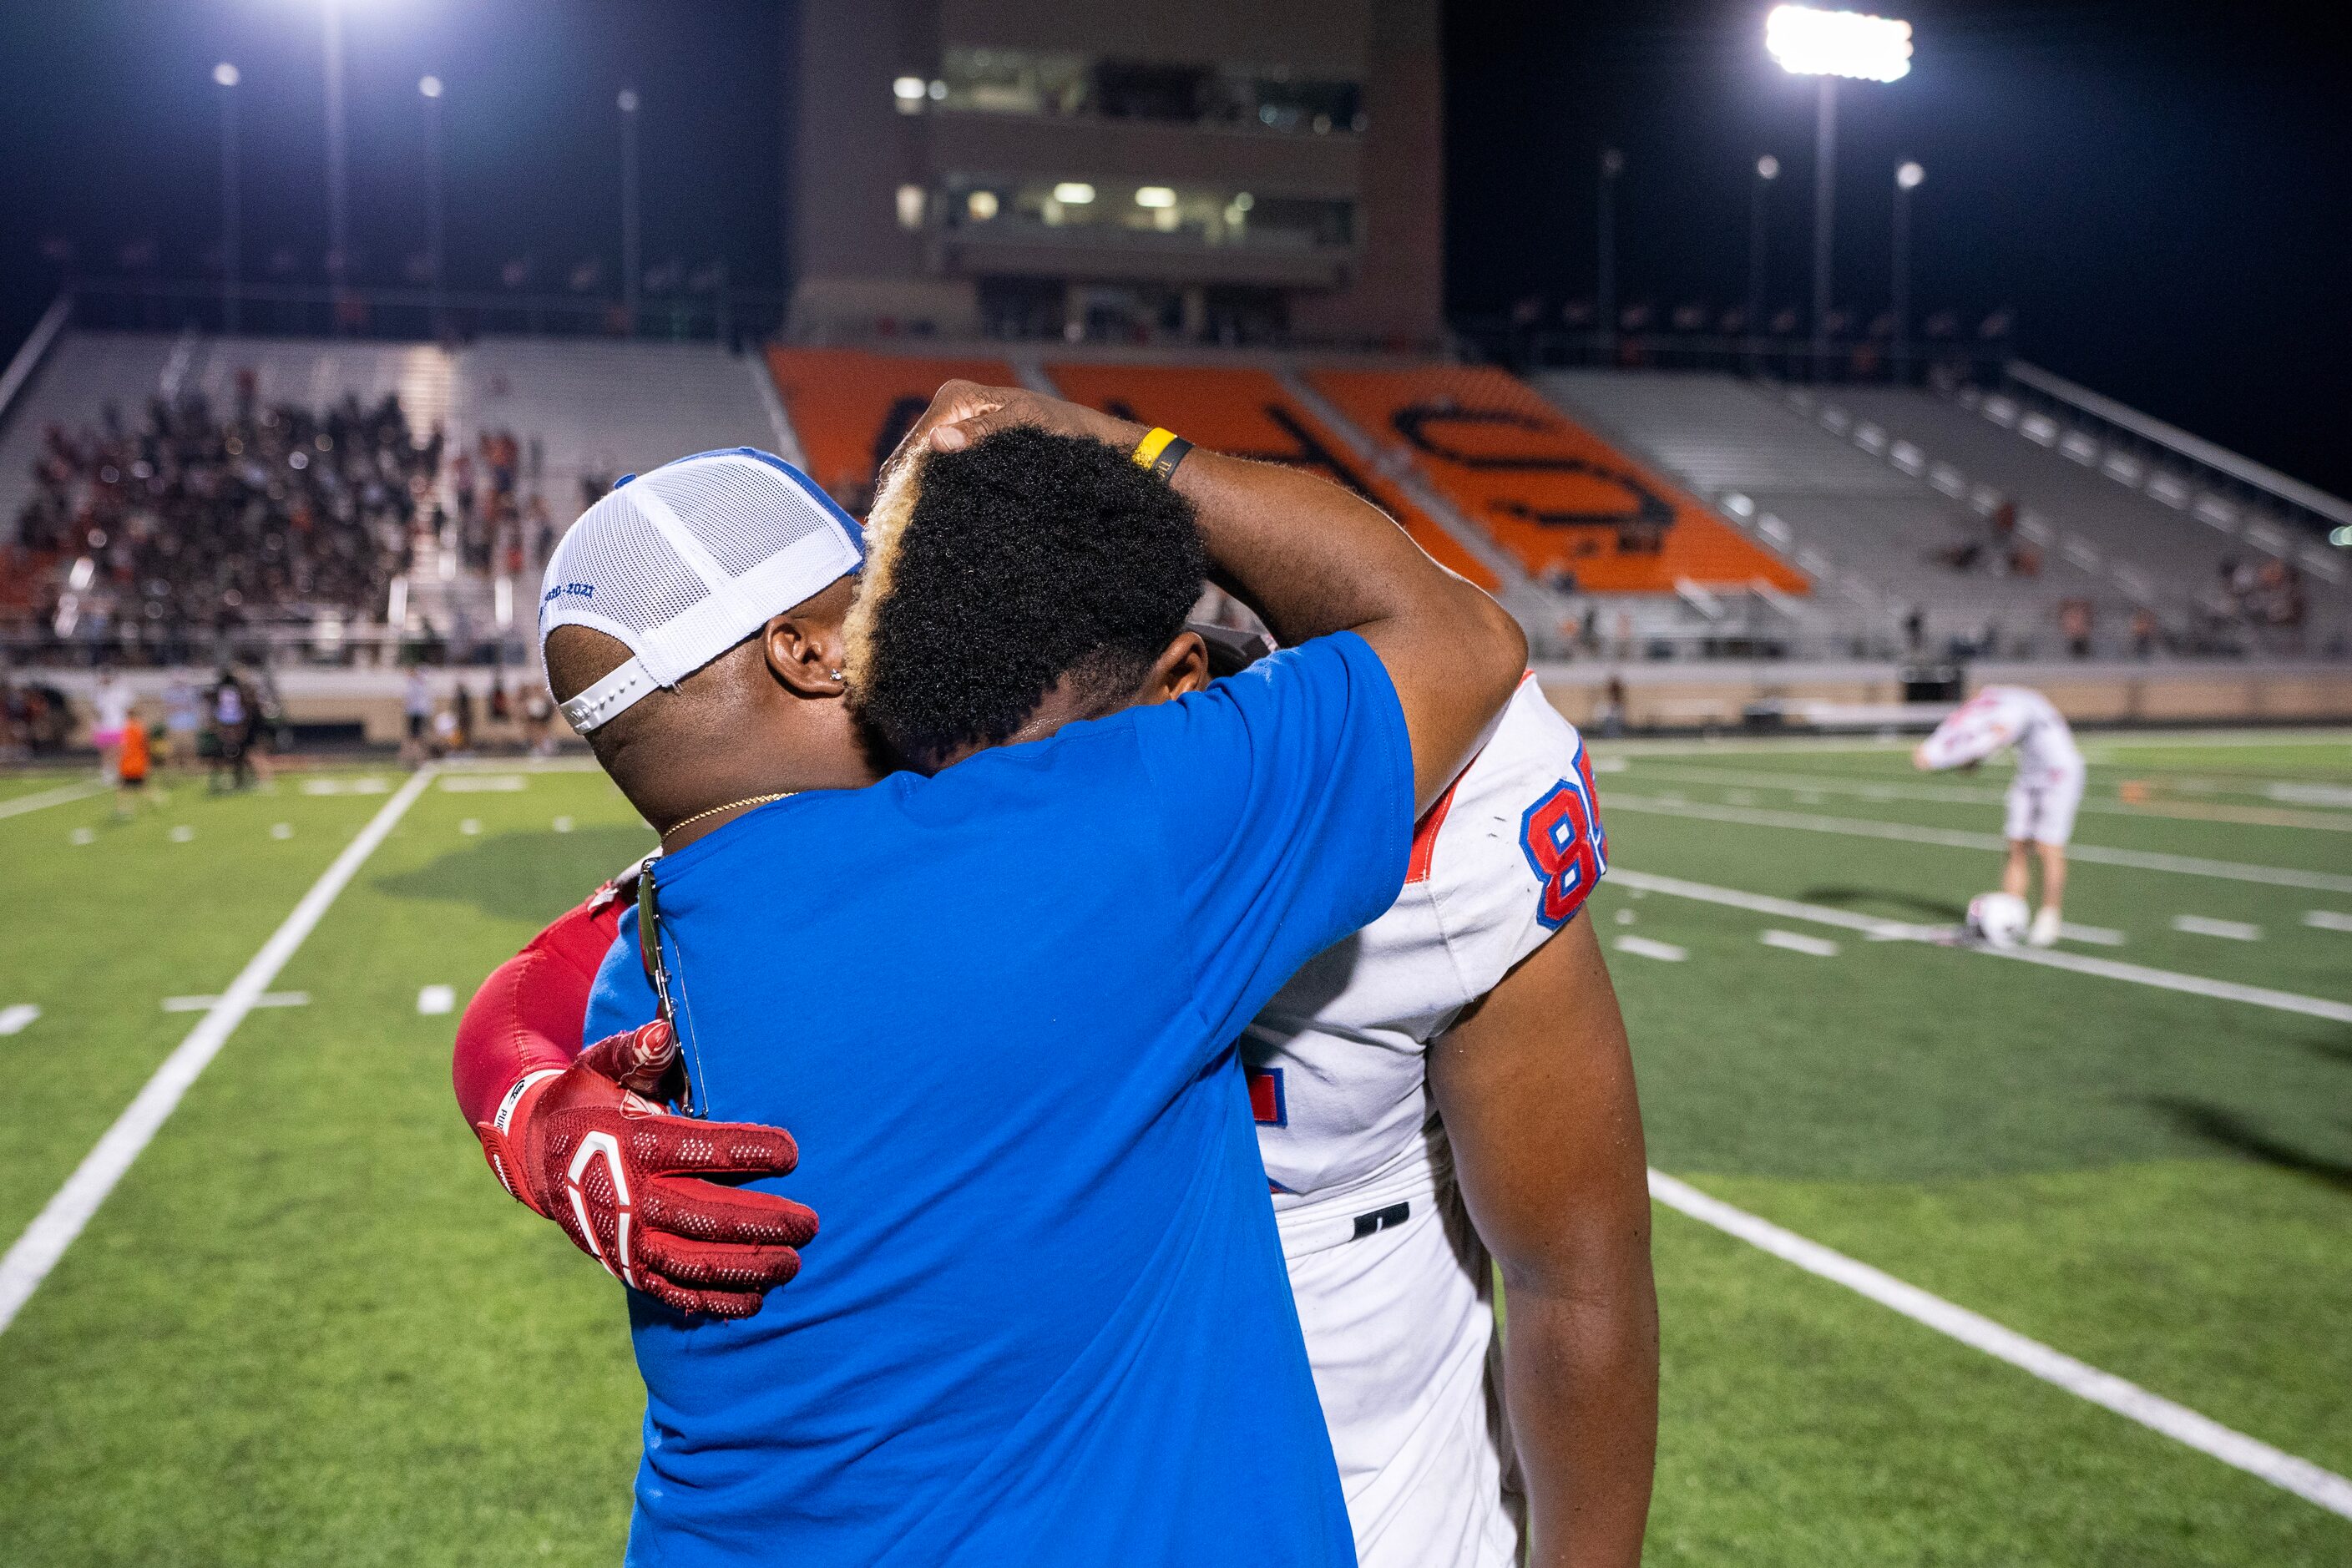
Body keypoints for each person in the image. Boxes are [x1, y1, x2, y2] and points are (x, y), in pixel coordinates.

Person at [457, 393, 1655, 1565]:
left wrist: (516, 1090)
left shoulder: (663, 966)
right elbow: (1458, 637)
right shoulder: (1073, 836)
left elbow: (1578, 1270)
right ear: (808, 651)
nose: (932, 689)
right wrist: (1132, 447)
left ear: (1179, 682)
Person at [1914, 685, 2084, 948]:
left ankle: (2050, 914)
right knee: (2016, 845)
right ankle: (2011, 915)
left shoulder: (2015, 706)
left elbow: (1997, 736)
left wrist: (1962, 756)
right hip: (2029, 775)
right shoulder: (2003, 702)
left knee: (2048, 846)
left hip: (2058, 774)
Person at [89, 670, 132, 784]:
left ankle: (119, 772)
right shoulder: (99, 692)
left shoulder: (120, 691)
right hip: (104, 726)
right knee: (105, 751)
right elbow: (96, 710)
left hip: (118, 725)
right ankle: (107, 774)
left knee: (118, 750)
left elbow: (128, 708)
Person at [114, 706, 155, 817]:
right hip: (139, 762)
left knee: (123, 788)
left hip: (129, 763)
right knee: (142, 787)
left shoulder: (127, 728)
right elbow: (146, 745)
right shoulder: (140, 728)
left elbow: (123, 746)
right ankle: (157, 801)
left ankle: (124, 810)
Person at [162, 674, 201, 772]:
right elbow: (168, 708)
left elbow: (194, 707)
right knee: (173, 751)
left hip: (188, 725)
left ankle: (191, 770)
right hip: (174, 725)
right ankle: (173, 770)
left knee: (189, 750)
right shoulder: (170, 693)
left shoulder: (191, 692)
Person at [400, 667, 432, 766]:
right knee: (417, 736)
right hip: (418, 712)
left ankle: (418, 758)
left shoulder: (417, 684)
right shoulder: (417, 684)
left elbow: (410, 700)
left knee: (417, 737)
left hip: (417, 713)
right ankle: (416, 757)